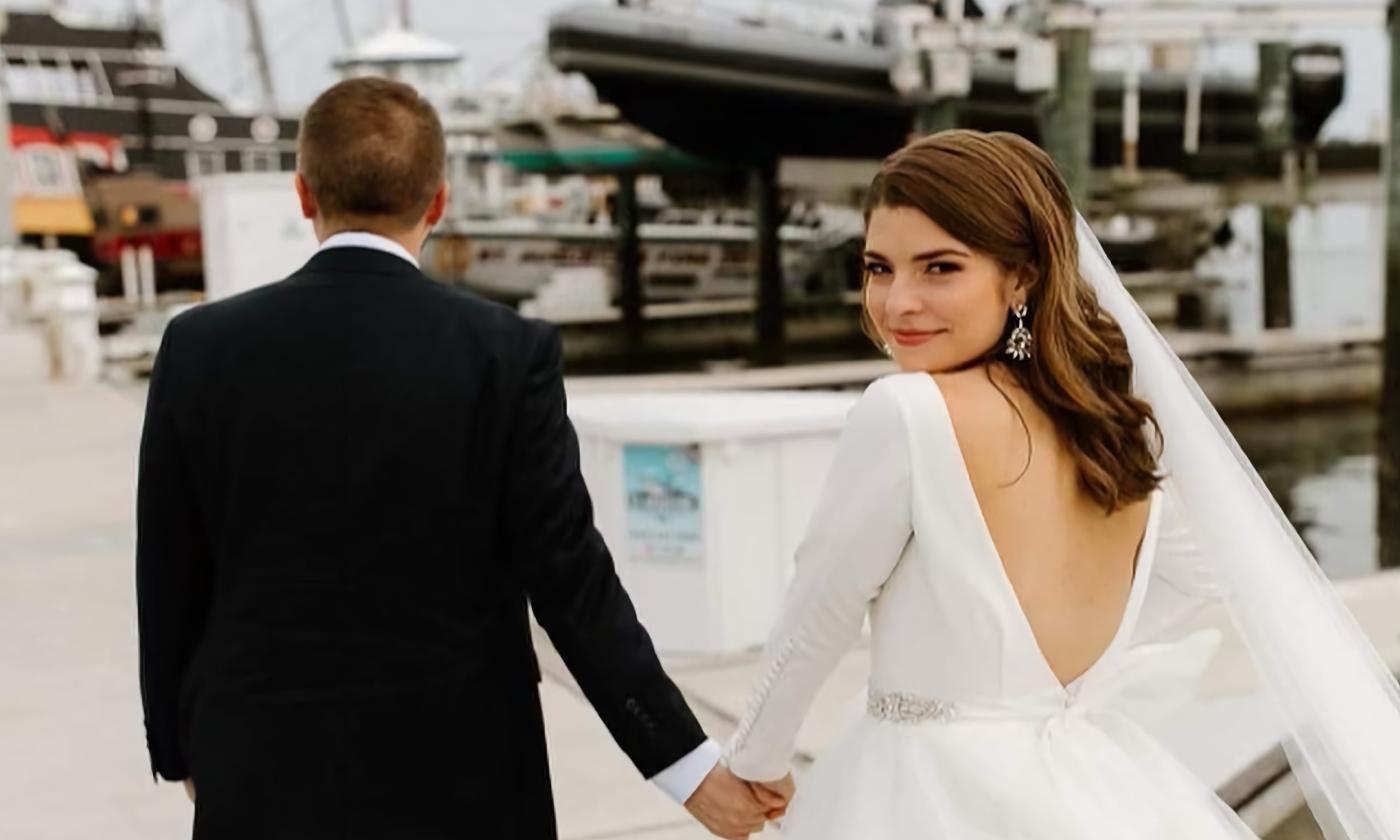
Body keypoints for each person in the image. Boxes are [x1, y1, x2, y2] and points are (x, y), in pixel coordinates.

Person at [135, 77, 776, 840]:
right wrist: (689, 769)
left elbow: (167, 574)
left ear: (303, 194)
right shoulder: (507, 354)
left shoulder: (199, 347)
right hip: (463, 774)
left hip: (259, 766)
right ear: (438, 201)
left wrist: (180, 750)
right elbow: (573, 584)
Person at [723, 130, 1400, 839]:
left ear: (1022, 277)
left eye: (939, 268)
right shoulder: (1114, 423)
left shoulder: (906, 412)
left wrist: (756, 759)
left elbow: (819, 609)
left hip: (922, 790)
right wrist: (1055, 679)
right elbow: (1203, 571)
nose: (898, 303)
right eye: (879, 268)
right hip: (1092, 791)